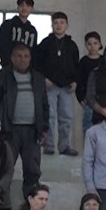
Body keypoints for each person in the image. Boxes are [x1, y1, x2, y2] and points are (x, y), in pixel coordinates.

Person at [0, 43, 49, 196]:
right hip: (8, 130)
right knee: (3, 167)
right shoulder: (1, 77)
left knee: (32, 170)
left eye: (26, 56)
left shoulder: (38, 78)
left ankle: (31, 202)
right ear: (12, 58)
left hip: (32, 131)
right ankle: (0, 201)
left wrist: (45, 128)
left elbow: (44, 105)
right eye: (19, 56)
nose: (23, 60)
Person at [34, 12, 80, 156]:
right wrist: (43, 79)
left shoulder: (72, 45)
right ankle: (49, 145)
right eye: (56, 23)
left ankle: (64, 146)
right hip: (50, 86)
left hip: (66, 87)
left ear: (67, 25)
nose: (59, 25)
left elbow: (76, 66)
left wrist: (75, 81)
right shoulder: (45, 43)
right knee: (50, 116)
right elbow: (36, 64)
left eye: (62, 22)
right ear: (52, 25)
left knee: (67, 117)